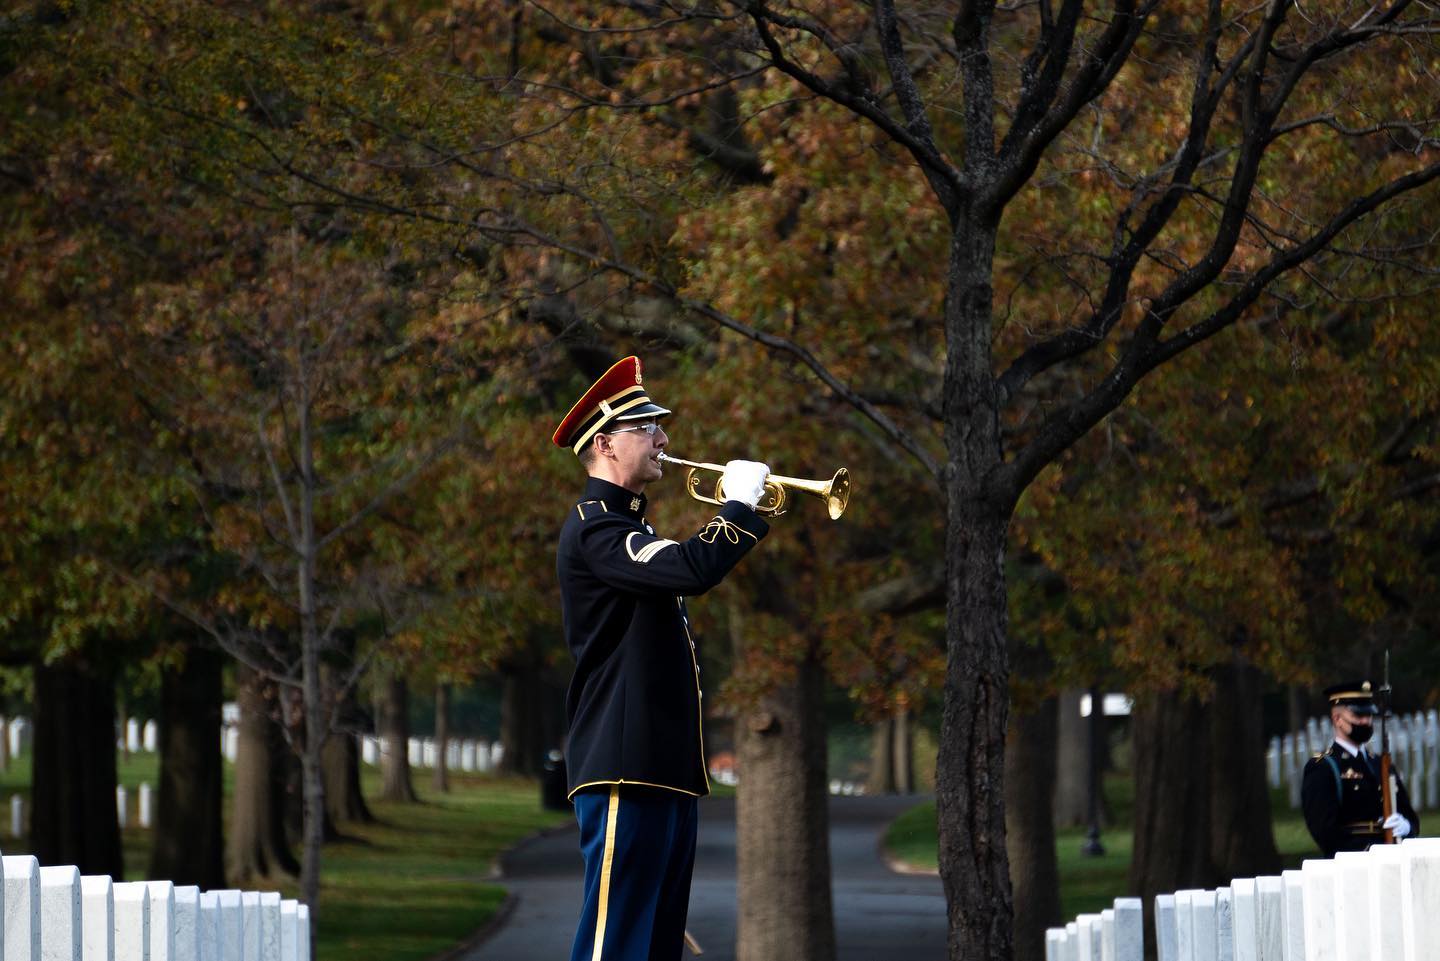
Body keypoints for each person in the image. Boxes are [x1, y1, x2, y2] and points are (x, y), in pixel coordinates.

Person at [552, 355, 771, 961]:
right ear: (605, 444)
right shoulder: (597, 529)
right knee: (615, 940)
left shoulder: (630, 531)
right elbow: (690, 569)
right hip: (624, 762)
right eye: (646, 426)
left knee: (654, 945)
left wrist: (740, 515)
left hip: (660, 766)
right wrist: (737, 511)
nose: (663, 438)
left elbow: (676, 566)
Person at [1300, 680, 1419, 857]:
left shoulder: (1381, 764)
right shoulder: (1323, 767)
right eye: (1358, 716)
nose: (1366, 721)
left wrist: (1406, 826)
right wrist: (1367, 853)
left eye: (1369, 715)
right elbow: (1324, 830)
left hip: (1391, 859)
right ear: (1337, 719)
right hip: (1353, 863)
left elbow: (1409, 815)